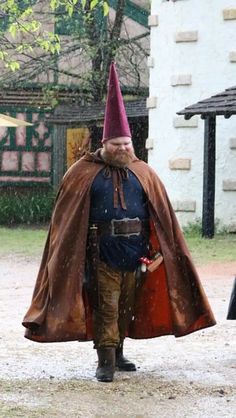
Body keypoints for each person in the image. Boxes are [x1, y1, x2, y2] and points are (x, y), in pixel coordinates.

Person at [22, 62, 216, 382]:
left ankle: (120, 351)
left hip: (137, 253)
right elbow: (67, 222)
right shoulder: (82, 173)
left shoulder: (143, 172)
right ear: (104, 144)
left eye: (127, 144)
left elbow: (162, 217)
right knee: (107, 306)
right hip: (102, 254)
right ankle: (105, 361)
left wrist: (160, 249)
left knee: (127, 305)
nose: (123, 149)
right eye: (117, 145)